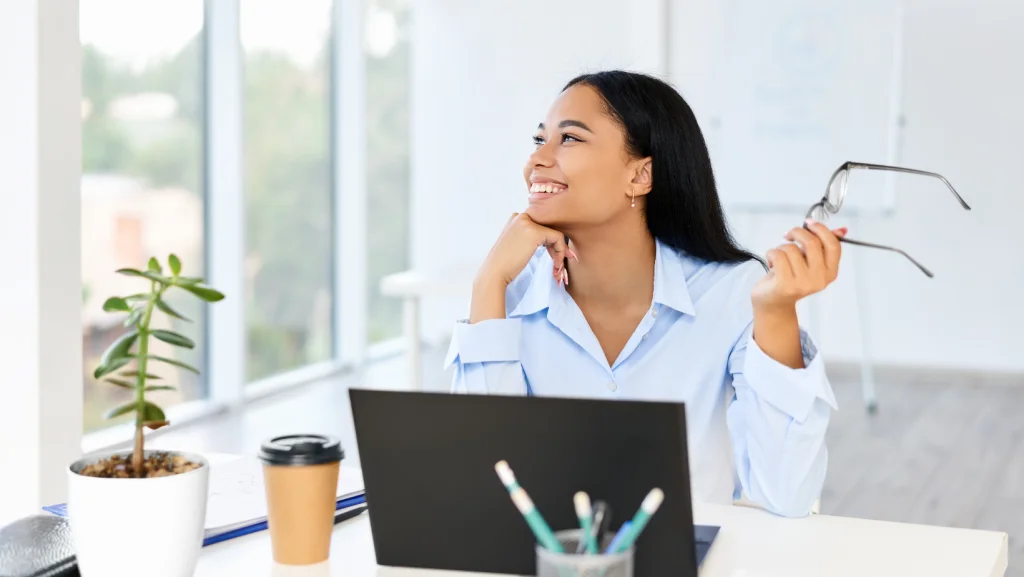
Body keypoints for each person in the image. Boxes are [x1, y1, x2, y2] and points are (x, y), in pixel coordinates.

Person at [443, 70, 844, 517]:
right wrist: (488, 281)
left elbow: (787, 494)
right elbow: (484, 480)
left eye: (570, 139)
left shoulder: (731, 292)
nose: (537, 160)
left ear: (641, 175)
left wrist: (776, 313)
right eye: (539, 140)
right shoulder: (509, 292)